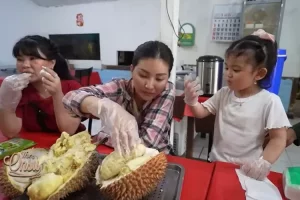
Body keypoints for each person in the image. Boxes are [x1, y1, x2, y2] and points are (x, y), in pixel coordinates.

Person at [184, 29, 291, 181]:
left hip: (247, 171)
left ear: (259, 74)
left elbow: (278, 139)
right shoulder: (224, 93)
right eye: (227, 67)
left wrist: (264, 162)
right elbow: (201, 112)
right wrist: (192, 101)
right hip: (217, 164)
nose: (228, 73)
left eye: (236, 69)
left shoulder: (270, 101)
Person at [62, 41, 175, 155]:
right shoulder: (120, 87)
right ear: (132, 69)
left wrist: (103, 136)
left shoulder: (167, 91)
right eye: (143, 75)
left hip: (159, 159)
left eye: (159, 79)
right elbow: (69, 98)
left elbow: (147, 143)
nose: (149, 86)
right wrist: (105, 107)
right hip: (120, 155)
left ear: (167, 78)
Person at [0, 35, 85, 138]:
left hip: (70, 147)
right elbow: (11, 132)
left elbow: (68, 131)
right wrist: (6, 101)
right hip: (34, 147)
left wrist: (57, 93)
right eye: (20, 59)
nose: (25, 65)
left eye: (33, 58)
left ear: (51, 63)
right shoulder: (19, 90)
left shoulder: (71, 87)